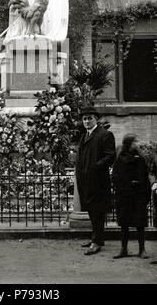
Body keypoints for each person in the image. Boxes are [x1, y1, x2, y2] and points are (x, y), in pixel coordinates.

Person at [76, 106, 116, 255]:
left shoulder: (105, 135)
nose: (86, 121)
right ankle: (96, 238)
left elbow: (110, 156)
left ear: (96, 119)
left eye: (89, 118)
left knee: (97, 212)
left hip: (98, 181)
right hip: (86, 181)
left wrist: (95, 167)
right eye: (84, 119)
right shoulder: (85, 135)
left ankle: (97, 242)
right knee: (92, 212)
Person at [112, 134, 151, 259]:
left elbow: (145, 178)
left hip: (138, 196)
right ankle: (124, 249)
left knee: (140, 224)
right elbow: (115, 177)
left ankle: (142, 249)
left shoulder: (140, 158)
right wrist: (124, 186)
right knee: (124, 225)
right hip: (124, 196)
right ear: (129, 143)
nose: (138, 143)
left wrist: (145, 194)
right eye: (135, 141)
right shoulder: (120, 159)